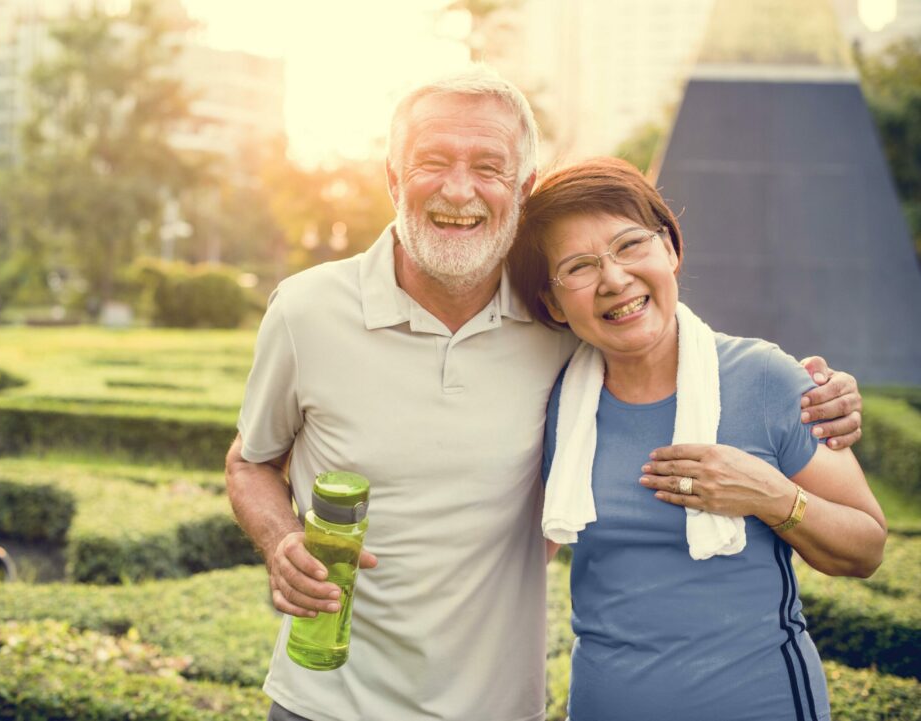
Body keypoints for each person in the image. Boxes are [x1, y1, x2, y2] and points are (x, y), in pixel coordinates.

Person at [225, 68, 863, 721]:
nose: (458, 189)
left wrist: (813, 392)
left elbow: (661, 329)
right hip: (321, 701)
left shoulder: (560, 317)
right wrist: (280, 540)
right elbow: (250, 460)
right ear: (392, 178)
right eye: (433, 162)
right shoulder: (305, 312)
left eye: (488, 167)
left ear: (523, 189)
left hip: (499, 708)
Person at [507, 157, 887, 721]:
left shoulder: (764, 377)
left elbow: (867, 548)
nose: (614, 279)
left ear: (671, 249)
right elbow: (506, 554)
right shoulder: (556, 401)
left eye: (630, 245)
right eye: (579, 267)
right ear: (552, 304)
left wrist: (770, 495)